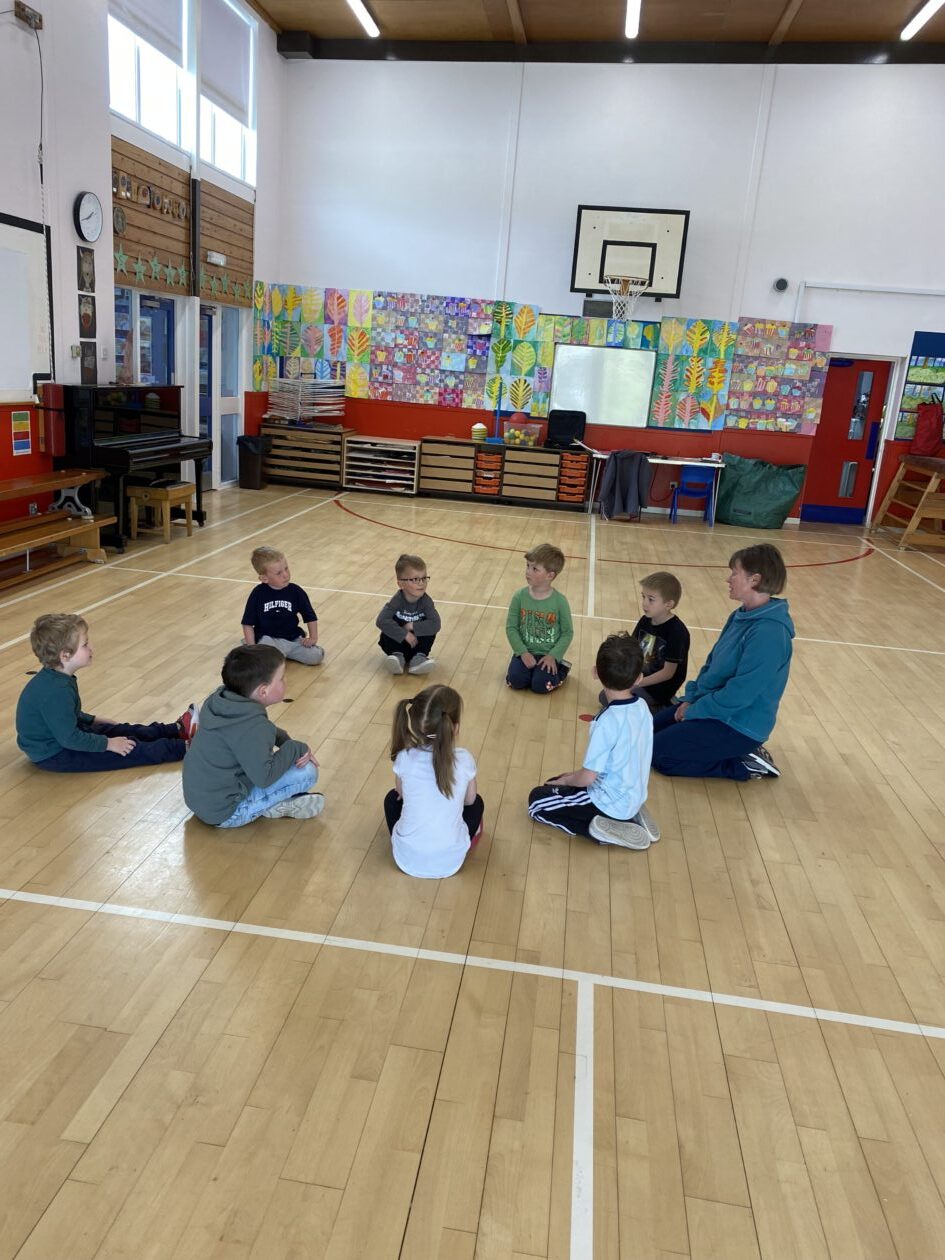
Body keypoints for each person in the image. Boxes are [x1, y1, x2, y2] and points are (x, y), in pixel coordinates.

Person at [651, 543, 793, 781]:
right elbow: (712, 665)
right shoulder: (740, 615)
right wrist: (691, 699)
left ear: (755, 579)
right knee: (644, 735)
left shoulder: (769, 633)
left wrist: (695, 711)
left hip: (738, 725)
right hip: (714, 708)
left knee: (659, 755)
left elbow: (741, 694)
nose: (729, 579)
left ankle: (744, 763)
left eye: (735, 573)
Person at [15, 613, 197, 772]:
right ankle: (185, 747)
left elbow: (66, 715)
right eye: (85, 645)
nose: (91, 648)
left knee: (118, 730)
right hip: (56, 753)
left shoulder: (56, 678)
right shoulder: (56, 691)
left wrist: (92, 720)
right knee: (128, 750)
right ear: (65, 655)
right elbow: (69, 738)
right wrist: (109, 744)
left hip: (65, 735)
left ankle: (176, 730)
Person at [527, 633, 658, 849]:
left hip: (607, 802)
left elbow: (588, 778)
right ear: (639, 678)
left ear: (595, 672)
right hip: (634, 794)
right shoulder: (642, 707)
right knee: (559, 780)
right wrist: (569, 777)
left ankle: (601, 830)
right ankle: (629, 814)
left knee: (537, 802)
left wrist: (568, 781)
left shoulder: (605, 722)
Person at [183, 644, 324, 827]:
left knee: (274, 761)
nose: (286, 681)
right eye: (281, 678)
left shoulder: (219, 700)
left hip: (200, 801)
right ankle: (268, 805)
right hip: (228, 813)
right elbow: (264, 777)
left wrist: (283, 739)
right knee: (308, 772)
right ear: (263, 691)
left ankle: (267, 803)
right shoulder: (254, 728)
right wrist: (297, 747)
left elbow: (257, 731)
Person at [384, 684, 483, 878]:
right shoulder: (464, 759)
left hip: (406, 858)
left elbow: (401, 794)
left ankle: (409, 844)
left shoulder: (405, 757)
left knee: (391, 799)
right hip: (450, 860)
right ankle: (468, 836)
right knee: (477, 803)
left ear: (415, 725)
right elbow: (470, 801)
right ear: (455, 728)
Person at [506, 543, 573, 692]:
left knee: (541, 686)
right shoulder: (519, 597)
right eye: (528, 566)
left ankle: (562, 669)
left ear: (550, 575)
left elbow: (567, 633)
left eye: (534, 569)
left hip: (548, 655)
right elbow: (511, 628)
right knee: (515, 681)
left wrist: (553, 656)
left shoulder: (560, 602)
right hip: (525, 652)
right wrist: (522, 652)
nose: (528, 571)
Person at [241, 546, 324, 665]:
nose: (285, 575)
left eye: (286, 568)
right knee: (265, 654)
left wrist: (313, 638)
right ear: (264, 578)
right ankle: (266, 652)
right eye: (279, 573)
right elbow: (247, 623)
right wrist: (252, 648)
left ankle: (280, 655)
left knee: (315, 656)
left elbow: (310, 616)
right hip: (268, 640)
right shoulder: (257, 594)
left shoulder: (296, 591)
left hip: (293, 639)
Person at [629, 571, 690, 712]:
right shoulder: (645, 620)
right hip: (641, 679)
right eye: (643, 597)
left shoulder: (677, 632)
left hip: (660, 689)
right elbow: (631, 648)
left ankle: (665, 707)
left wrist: (637, 683)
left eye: (651, 599)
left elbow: (667, 673)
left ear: (668, 604)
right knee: (607, 695)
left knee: (620, 700)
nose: (644, 603)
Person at [376, 553, 440, 675]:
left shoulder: (426, 602)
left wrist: (412, 626)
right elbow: (381, 621)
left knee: (429, 625)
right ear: (401, 584)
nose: (421, 583)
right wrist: (404, 633)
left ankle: (418, 659)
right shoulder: (396, 601)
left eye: (424, 578)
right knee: (390, 622)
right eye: (415, 579)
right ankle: (397, 658)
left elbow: (436, 624)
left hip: (417, 646)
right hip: (396, 644)